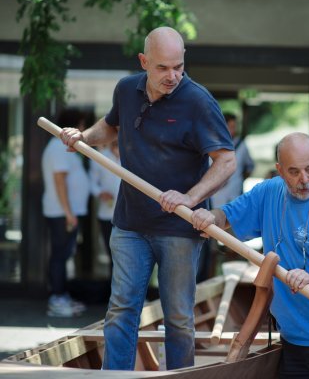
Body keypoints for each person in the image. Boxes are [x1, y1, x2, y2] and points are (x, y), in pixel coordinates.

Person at [60, 27, 236, 370]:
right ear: (144, 61)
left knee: (179, 317)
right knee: (122, 308)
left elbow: (226, 160)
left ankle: (179, 378)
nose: (173, 76)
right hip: (130, 223)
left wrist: (189, 197)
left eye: (179, 67)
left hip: (180, 228)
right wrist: (82, 136)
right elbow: (111, 126)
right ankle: (115, 378)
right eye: (162, 68)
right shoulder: (127, 89)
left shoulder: (199, 101)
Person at [191, 133, 309, 379]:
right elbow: (227, 216)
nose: (305, 179)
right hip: (295, 340)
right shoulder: (267, 193)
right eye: (294, 172)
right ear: (279, 170)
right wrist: (211, 218)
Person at [42, 108, 91, 318]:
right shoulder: (57, 147)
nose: (82, 129)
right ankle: (57, 298)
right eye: (80, 124)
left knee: (63, 254)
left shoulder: (60, 146)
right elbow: (59, 181)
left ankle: (61, 296)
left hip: (65, 212)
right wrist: (68, 213)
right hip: (62, 212)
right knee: (60, 255)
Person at [89, 140, 121, 276]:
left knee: (127, 256)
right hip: (106, 214)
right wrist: (100, 193)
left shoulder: (131, 157)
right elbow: (91, 182)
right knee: (112, 255)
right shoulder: (100, 157)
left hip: (127, 215)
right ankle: (113, 292)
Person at [211, 113, 255, 207]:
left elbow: (250, 166)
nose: (234, 130)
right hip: (215, 195)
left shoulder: (241, 145)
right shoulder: (211, 144)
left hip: (235, 192)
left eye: (235, 126)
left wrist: (239, 180)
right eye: (231, 127)